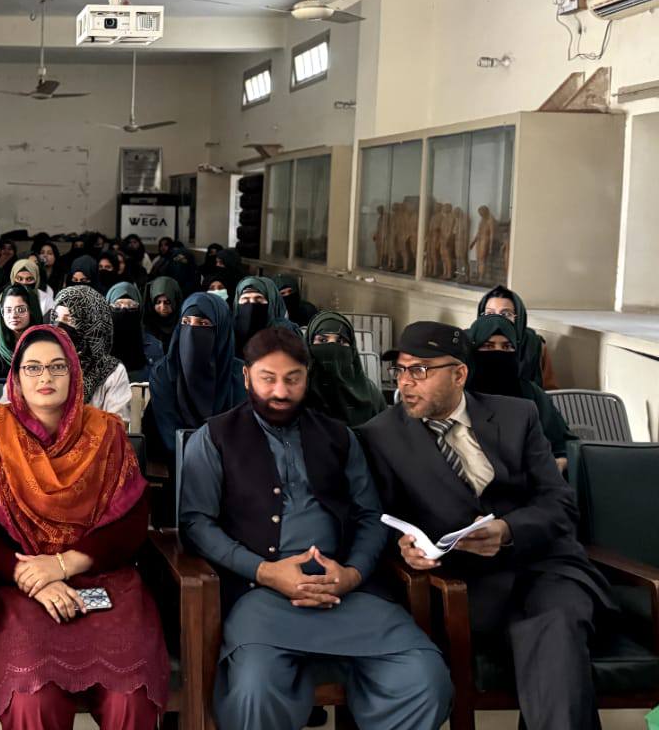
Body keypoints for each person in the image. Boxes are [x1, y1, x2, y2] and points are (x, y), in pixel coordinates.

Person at [180, 327, 451, 730]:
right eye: (268, 378)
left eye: (293, 379)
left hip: (346, 593)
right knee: (255, 689)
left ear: (307, 377)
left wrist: (352, 574)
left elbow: (370, 515)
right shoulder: (214, 438)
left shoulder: (339, 437)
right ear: (246, 377)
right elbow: (195, 523)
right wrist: (264, 571)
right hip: (260, 596)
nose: (281, 391)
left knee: (425, 678)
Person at [360, 321, 611, 730]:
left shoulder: (516, 416)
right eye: (401, 369)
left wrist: (509, 530)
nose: (406, 382)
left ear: (459, 373)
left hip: (543, 567)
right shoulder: (380, 436)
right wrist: (402, 547)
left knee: (556, 624)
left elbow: (559, 504)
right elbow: (376, 520)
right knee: (552, 640)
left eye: (420, 370)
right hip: (462, 584)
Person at [0, 325, 169, 730]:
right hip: (21, 586)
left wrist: (65, 564)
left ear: (75, 373)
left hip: (102, 580)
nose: (45, 377)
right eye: (32, 368)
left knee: (129, 697)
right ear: (15, 377)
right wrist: (28, 574)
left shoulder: (106, 433)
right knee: (33, 697)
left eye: (57, 367)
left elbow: (132, 521)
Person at [147, 292, 246, 459]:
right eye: (186, 322)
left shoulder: (241, 374)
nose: (192, 331)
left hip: (232, 462)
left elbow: (242, 433)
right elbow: (171, 437)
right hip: (180, 462)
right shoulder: (164, 373)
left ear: (221, 330)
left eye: (203, 323)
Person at [466, 315, 571, 470]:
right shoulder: (459, 392)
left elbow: (562, 442)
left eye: (507, 347)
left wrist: (561, 461)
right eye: (488, 346)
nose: (498, 353)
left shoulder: (530, 392)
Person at [52, 285, 130, 424]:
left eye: (70, 319)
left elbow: (116, 426)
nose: (59, 326)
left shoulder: (112, 372)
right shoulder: (42, 363)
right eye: (57, 317)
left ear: (91, 323)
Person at [305, 311, 386, 428]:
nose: (332, 347)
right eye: (323, 340)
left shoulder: (370, 393)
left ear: (352, 349)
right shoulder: (300, 391)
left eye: (340, 341)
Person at [477, 285, 558, 389]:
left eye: (506, 314)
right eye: (490, 314)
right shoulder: (468, 343)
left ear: (518, 318)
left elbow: (550, 391)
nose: (497, 320)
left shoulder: (535, 346)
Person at [105, 282, 163, 383]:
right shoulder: (97, 347)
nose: (124, 309)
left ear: (140, 309)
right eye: (118, 305)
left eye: (131, 305)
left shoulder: (154, 346)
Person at [232, 276, 297, 359]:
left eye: (258, 298)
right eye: (245, 299)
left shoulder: (288, 334)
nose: (251, 304)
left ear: (271, 303)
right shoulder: (229, 333)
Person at [143, 276, 181, 351]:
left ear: (175, 301)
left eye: (167, 302)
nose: (163, 307)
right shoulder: (145, 328)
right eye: (158, 302)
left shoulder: (183, 326)